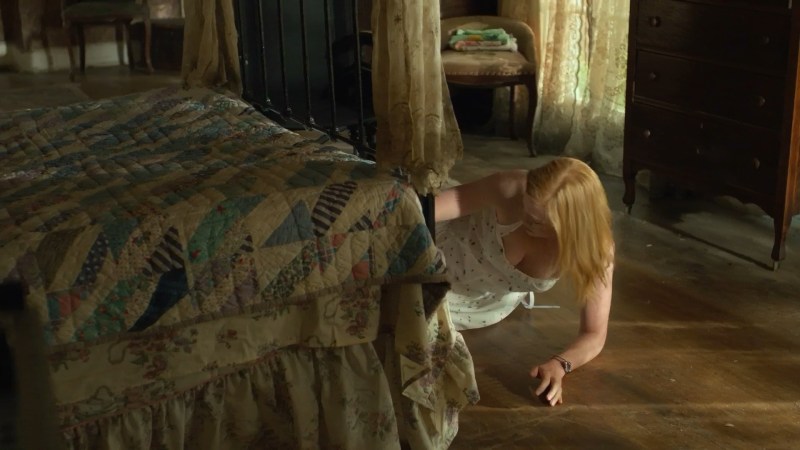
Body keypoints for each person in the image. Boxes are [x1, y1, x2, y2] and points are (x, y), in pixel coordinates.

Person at [434, 157, 614, 407]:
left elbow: (594, 333)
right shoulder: (511, 187)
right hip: (437, 249)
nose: (526, 221)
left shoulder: (596, 251)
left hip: (477, 305)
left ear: (571, 226)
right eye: (525, 209)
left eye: (537, 221)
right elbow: (424, 211)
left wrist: (560, 364)